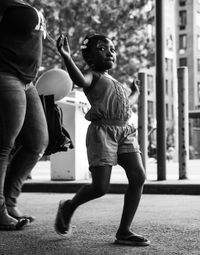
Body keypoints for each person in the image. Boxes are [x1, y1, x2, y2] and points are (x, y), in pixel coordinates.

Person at [54, 33, 150, 246]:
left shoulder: (115, 81)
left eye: (112, 49)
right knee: (100, 188)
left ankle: (124, 231)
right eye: (102, 48)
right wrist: (66, 57)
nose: (110, 52)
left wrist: (135, 93)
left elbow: (126, 103)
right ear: (89, 57)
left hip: (125, 131)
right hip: (102, 133)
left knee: (138, 176)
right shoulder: (92, 75)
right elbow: (79, 80)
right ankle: (69, 207)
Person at [0, 0, 48, 230]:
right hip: (5, 74)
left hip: (27, 82)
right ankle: (0, 210)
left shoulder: (23, 4)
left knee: (37, 142)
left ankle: (9, 202)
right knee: (4, 145)